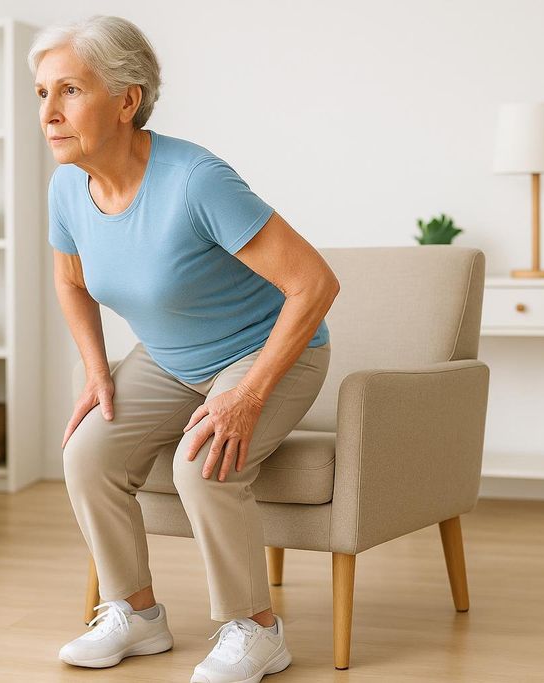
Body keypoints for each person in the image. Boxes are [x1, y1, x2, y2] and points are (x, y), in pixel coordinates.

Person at [28, 14, 338, 683]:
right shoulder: (66, 186)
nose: (49, 112)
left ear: (127, 99)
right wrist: (95, 369)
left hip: (267, 351)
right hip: (169, 359)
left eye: (69, 91)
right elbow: (68, 278)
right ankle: (137, 615)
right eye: (42, 94)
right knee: (86, 451)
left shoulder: (195, 179)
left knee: (204, 462)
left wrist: (248, 394)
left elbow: (314, 283)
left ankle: (256, 630)